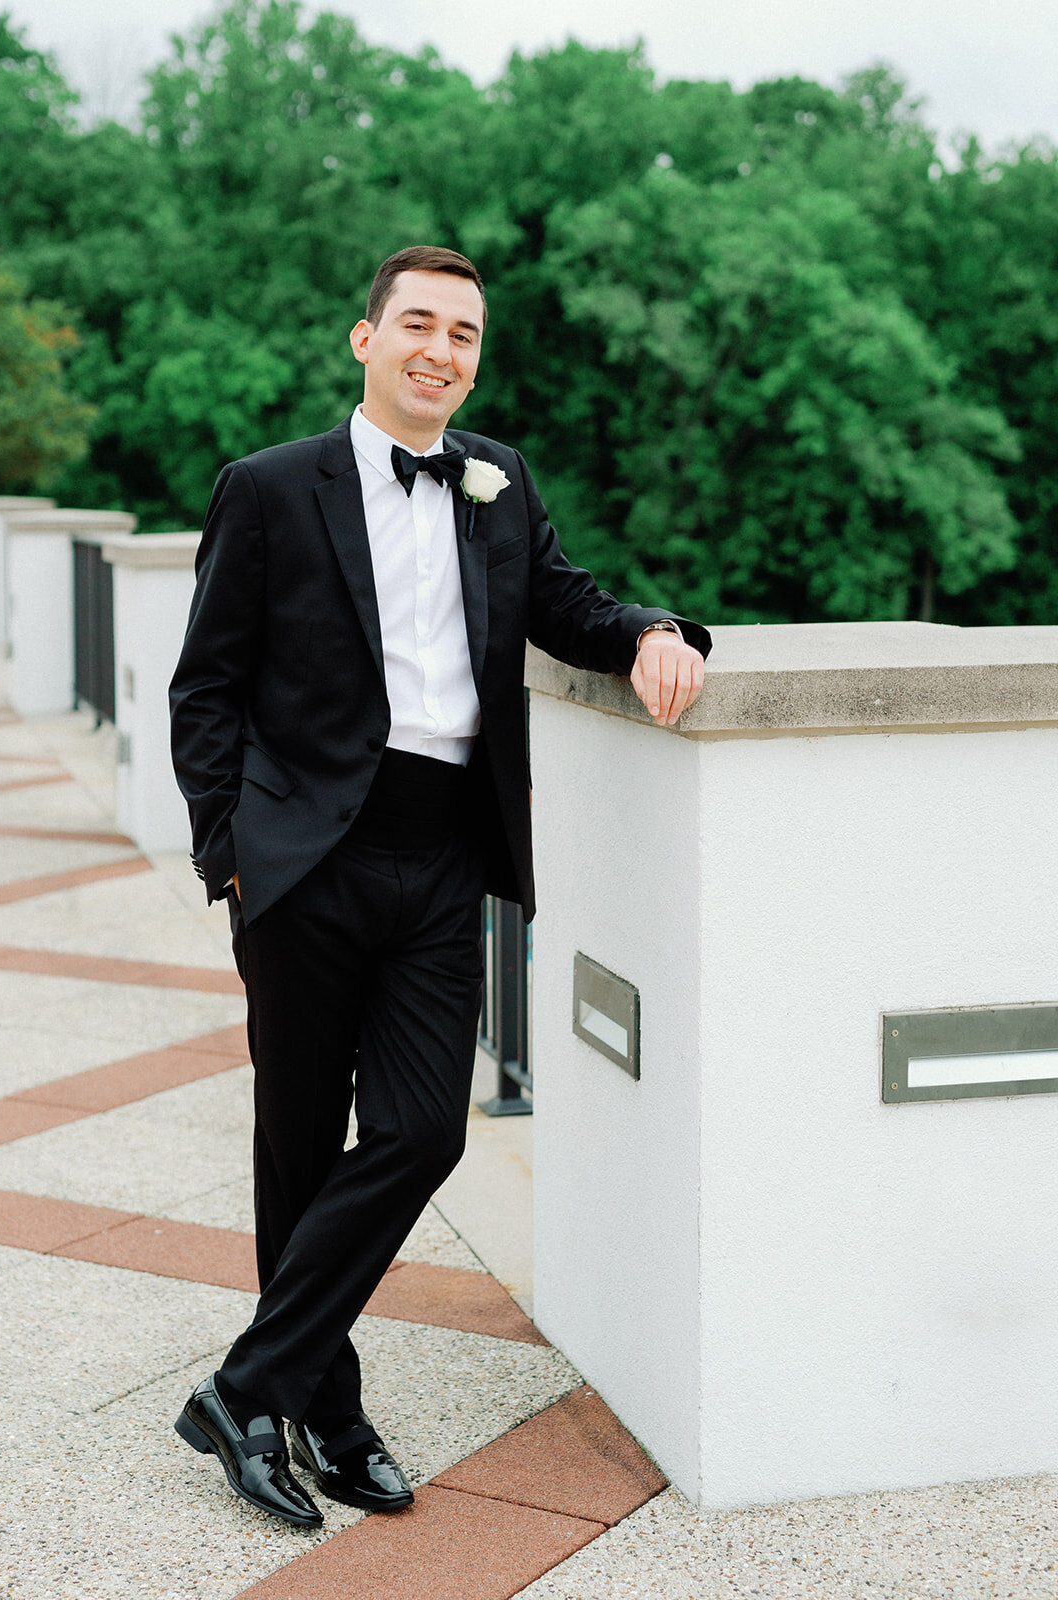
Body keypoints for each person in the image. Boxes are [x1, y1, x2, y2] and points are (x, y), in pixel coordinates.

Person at [167, 245, 711, 1528]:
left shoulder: (499, 481)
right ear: (365, 339)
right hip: (301, 861)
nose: (441, 350)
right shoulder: (268, 488)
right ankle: (326, 1408)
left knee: (423, 1129)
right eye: (418, 323)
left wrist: (649, 631)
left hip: (441, 858)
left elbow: (566, 605)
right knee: (298, 1144)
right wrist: (228, 847)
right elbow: (207, 687)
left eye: (463, 334)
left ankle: (247, 1388)